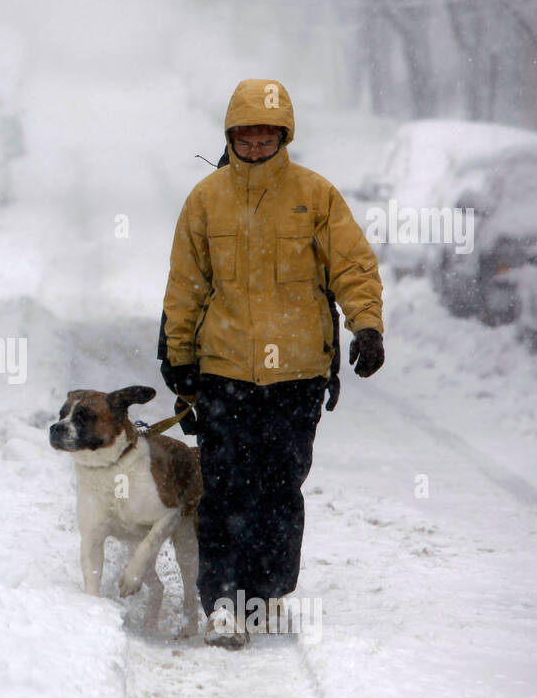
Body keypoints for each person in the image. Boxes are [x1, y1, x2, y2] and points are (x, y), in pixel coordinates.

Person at [159, 78, 384, 648]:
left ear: (284, 135)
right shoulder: (206, 199)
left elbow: (352, 267)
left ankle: (266, 591)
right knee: (226, 487)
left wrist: (368, 326)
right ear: (230, 136)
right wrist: (178, 356)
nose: (256, 144)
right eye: (245, 135)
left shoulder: (315, 195)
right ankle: (224, 604)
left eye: (266, 135)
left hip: (298, 375)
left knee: (280, 488)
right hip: (226, 371)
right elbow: (186, 284)